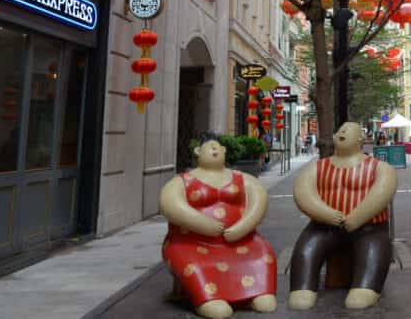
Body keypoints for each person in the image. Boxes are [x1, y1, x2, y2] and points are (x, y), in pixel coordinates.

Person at [159, 132, 276, 318]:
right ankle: (207, 298)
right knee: (193, 264)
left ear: (224, 150)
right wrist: (202, 223)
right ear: (198, 151)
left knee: (263, 252)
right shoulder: (183, 180)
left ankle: (258, 292)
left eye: (217, 146)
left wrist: (242, 227)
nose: (214, 149)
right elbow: (169, 203)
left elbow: (259, 201)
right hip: (192, 243)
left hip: (242, 241)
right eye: (209, 146)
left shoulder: (242, 178)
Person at [288, 122, 397, 311]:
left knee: (375, 249)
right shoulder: (319, 167)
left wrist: (357, 217)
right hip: (323, 227)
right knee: (306, 248)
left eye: (348, 130)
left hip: (368, 228)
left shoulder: (379, 167)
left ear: (360, 139)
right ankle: (302, 287)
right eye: (340, 130)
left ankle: (366, 287)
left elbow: (382, 191)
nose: (342, 132)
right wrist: (326, 213)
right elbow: (303, 192)